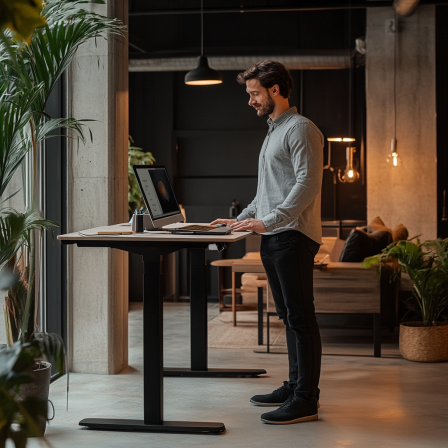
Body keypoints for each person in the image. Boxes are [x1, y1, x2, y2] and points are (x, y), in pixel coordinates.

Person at [211, 60, 324, 425]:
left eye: (255, 93)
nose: (250, 101)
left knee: (301, 318)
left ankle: (306, 398)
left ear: (275, 90)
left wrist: (270, 221)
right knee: (289, 318)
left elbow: (306, 185)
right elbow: (267, 193)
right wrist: (242, 219)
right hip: (273, 236)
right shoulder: (273, 131)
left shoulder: (301, 129)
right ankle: (294, 386)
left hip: (292, 236)